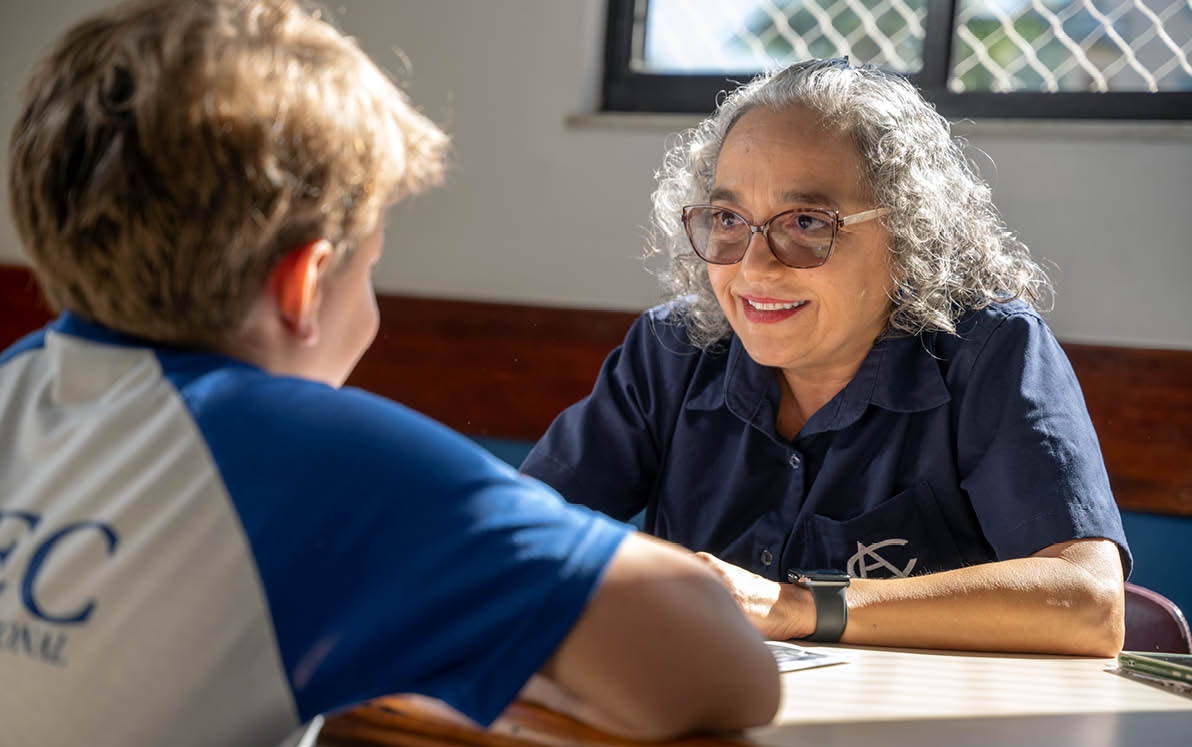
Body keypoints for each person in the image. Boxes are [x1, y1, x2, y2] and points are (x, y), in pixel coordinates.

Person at [0, 2, 780, 745]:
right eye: (370, 266)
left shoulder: (15, 383)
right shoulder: (307, 457)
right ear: (303, 286)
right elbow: (728, 669)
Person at [522, 58, 1131, 657]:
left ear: (906, 232)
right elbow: (517, 532)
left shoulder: (989, 352)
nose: (752, 268)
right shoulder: (672, 351)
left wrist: (798, 608)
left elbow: (1088, 602)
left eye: (806, 221)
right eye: (729, 219)